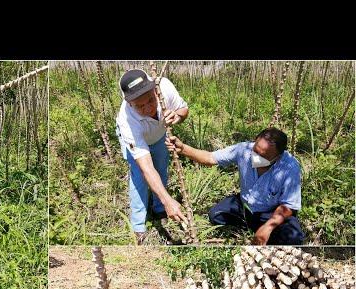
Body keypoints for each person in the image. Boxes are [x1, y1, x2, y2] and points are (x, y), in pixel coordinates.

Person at [165, 127, 304, 245]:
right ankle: (252, 227)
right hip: (245, 206)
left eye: (264, 156)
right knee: (216, 215)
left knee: (293, 236)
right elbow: (210, 158)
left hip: (271, 212)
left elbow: (289, 205)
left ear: (278, 156)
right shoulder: (244, 150)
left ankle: (264, 231)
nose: (256, 157)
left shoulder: (289, 168)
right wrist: (182, 148)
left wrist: (268, 227)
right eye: (255, 151)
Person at [115, 68, 190, 244]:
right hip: (139, 139)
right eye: (140, 106)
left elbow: (184, 110)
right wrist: (169, 200)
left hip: (158, 136)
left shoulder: (165, 87)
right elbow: (146, 167)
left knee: (161, 168)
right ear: (129, 103)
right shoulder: (127, 121)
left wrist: (177, 117)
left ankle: (159, 209)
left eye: (150, 100)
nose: (148, 108)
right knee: (139, 177)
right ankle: (139, 226)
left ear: (155, 90)